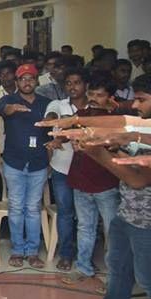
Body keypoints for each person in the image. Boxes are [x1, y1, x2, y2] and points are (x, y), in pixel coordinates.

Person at [46, 75, 151, 299]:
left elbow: (136, 177)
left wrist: (97, 153)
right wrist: (106, 144)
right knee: (119, 267)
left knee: (148, 279)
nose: (136, 104)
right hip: (128, 211)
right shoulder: (141, 127)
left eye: (142, 99)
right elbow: (127, 144)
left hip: (147, 219)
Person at [62, 75, 120, 284]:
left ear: (111, 98)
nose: (95, 99)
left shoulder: (117, 120)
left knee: (111, 232)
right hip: (82, 181)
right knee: (85, 227)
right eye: (92, 94)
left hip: (107, 184)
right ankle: (83, 267)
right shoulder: (81, 116)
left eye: (100, 95)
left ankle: (115, 278)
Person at [0, 63, 51, 268]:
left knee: (33, 209)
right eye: (22, 79)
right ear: (16, 81)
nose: (27, 82)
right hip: (14, 163)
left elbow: (52, 128)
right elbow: (4, 109)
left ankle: (33, 251)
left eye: (31, 78)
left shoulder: (46, 103)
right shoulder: (7, 100)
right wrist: (12, 109)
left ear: (36, 81)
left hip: (38, 162)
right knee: (16, 207)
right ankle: (18, 250)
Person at [43, 67, 89, 271]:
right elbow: (52, 116)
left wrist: (64, 135)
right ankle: (66, 254)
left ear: (85, 84)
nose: (72, 87)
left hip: (88, 170)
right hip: (62, 168)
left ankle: (85, 257)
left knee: (86, 216)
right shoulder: (58, 104)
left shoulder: (93, 107)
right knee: (65, 213)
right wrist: (55, 124)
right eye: (68, 83)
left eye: (77, 82)